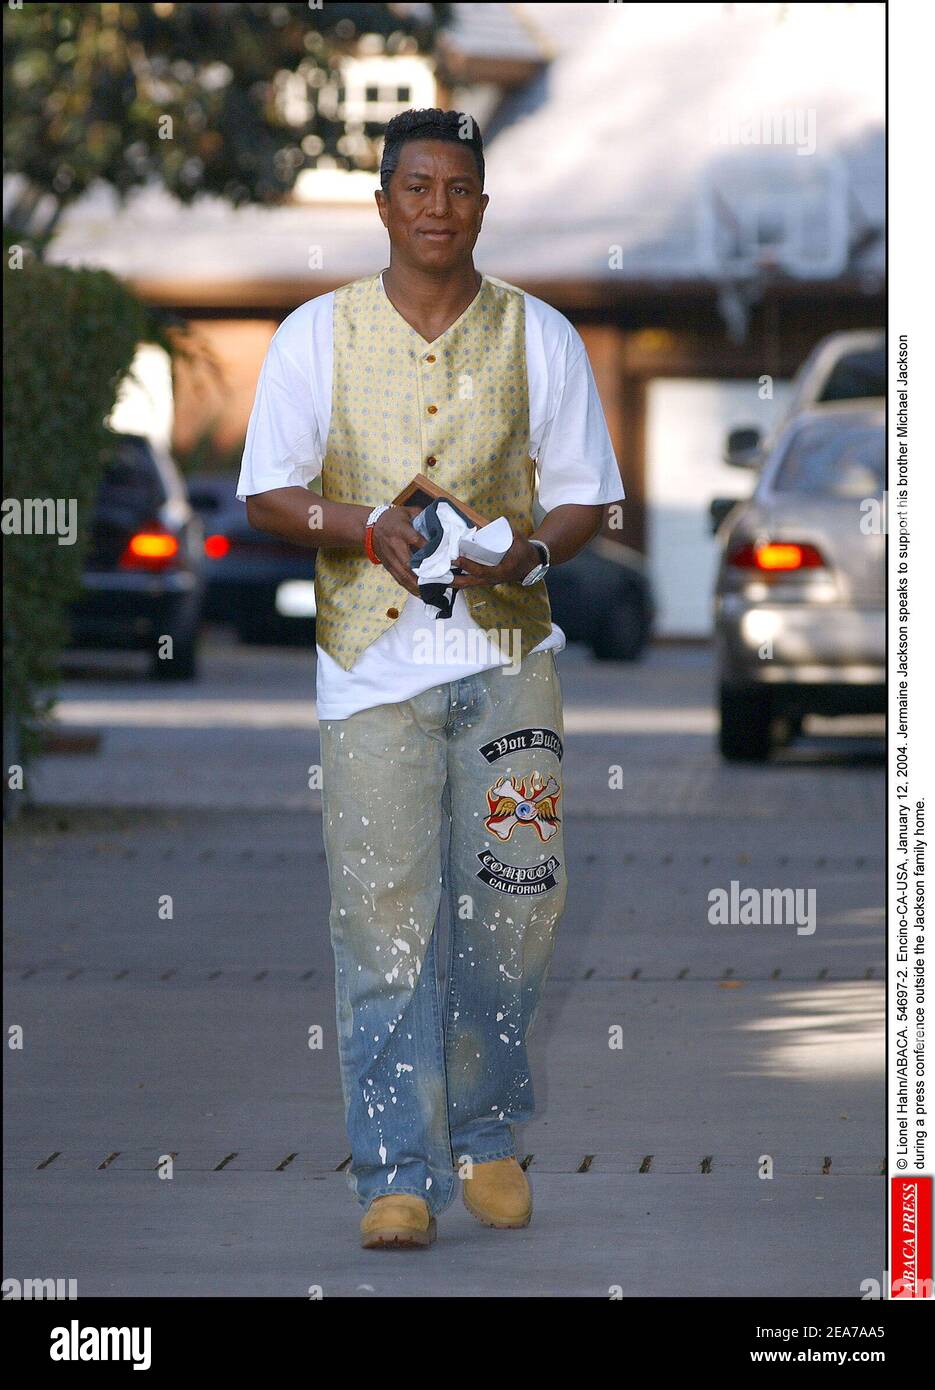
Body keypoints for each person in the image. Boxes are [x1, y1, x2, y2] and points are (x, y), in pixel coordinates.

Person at [237, 108, 625, 1248]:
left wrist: (532, 551)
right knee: (383, 920)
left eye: (458, 188)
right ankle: (395, 1175)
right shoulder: (314, 334)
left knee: (517, 900)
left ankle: (489, 1130)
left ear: (481, 207)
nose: (437, 207)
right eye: (416, 187)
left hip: (509, 665)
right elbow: (268, 492)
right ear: (382, 203)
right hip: (369, 674)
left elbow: (592, 497)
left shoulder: (537, 334)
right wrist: (360, 526)